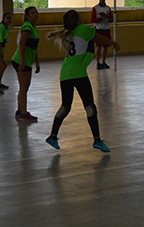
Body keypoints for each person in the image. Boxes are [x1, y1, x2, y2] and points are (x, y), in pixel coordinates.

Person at [44, 10, 120, 152]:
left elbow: (90, 48)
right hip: (77, 73)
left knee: (65, 106)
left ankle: (52, 136)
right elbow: (98, 38)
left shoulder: (71, 33)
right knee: (90, 107)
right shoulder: (84, 29)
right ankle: (97, 140)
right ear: (78, 18)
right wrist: (113, 43)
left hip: (65, 73)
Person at [11, 6, 41, 122]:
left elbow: (34, 47)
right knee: (24, 88)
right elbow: (22, 44)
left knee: (24, 87)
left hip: (27, 61)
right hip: (20, 61)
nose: (36, 14)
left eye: (36, 12)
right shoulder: (27, 27)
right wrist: (23, 61)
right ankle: (23, 113)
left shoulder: (34, 28)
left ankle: (20, 111)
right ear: (27, 16)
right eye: (33, 13)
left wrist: (37, 63)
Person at [90, 0, 114, 70]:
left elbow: (111, 19)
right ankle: (97, 62)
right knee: (98, 46)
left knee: (106, 46)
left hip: (106, 28)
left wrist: (107, 17)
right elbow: (92, 19)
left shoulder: (108, 8)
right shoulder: (95, 8)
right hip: (99, 29)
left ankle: (103, 61)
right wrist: (100, 19)